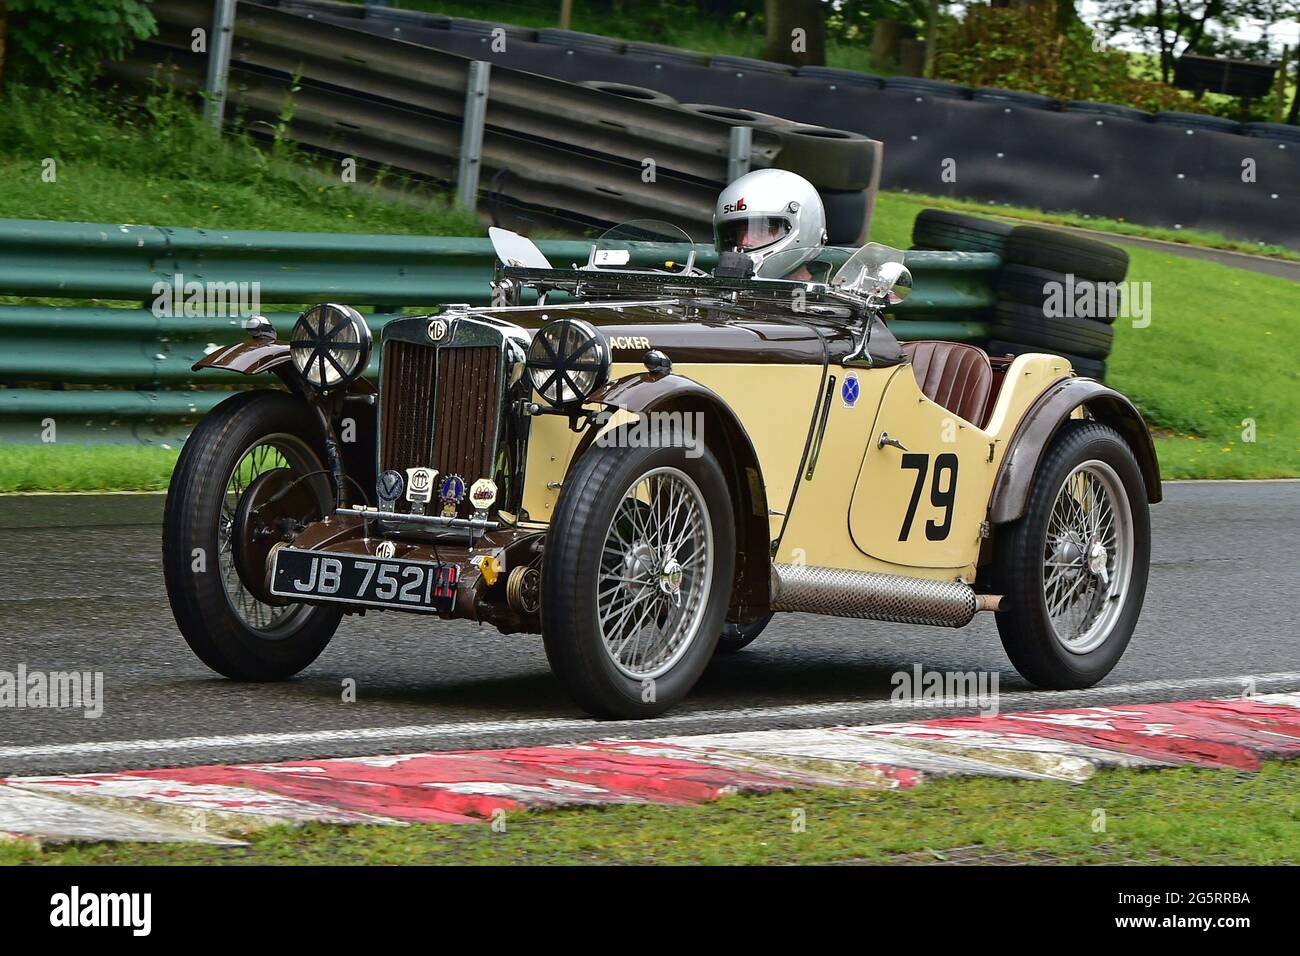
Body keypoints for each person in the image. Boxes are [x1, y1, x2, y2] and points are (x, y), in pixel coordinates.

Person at [713, 168, 828, 280]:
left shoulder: (832, 297)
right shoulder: (716, 295)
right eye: (735, 234)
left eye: (761, 230)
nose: (744, 241)